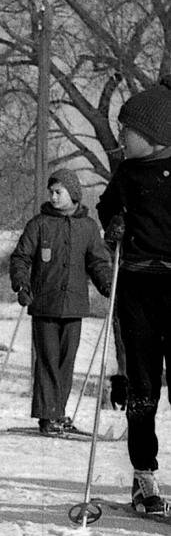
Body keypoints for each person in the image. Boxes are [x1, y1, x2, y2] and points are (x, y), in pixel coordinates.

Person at [97, 78, 171, 513]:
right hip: (138, 289)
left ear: (157, 136)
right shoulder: (125, 174)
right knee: (142, 389)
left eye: (129, 129)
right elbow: (107, 207)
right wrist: (114, 223)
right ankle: (143, 476)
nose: (121, 135)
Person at [9, 168, 112, 437]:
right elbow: (21, 257)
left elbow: (98, 262)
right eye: (51, 192)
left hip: (74, 305)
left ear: (73, 194)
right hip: (44, 304)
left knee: (66, 362)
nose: (53, 197)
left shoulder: (88, 227)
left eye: (59, 192)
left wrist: (107, 284)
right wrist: (22, 284)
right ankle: (47, 416)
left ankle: (59, 413)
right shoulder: (40, 224)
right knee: (48, 361)